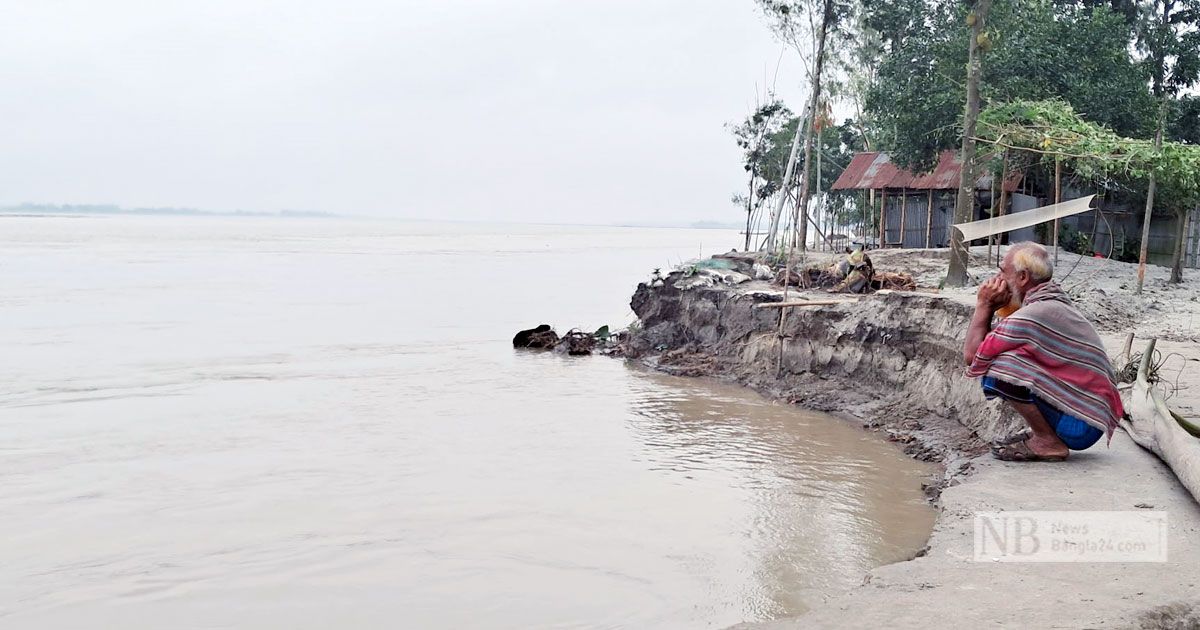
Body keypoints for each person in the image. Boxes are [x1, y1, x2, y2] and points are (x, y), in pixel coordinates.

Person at [963, 242, 1124, 461]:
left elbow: (973, 356)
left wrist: (984, 305)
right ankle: (1044, 433)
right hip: (1087, 417)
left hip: (1080, 426)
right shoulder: (1052, 300)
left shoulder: (1034, 313)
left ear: (1022, 278)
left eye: (1003, 271)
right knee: (1007, 358)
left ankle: (1048, 442)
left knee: (997, 367)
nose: (998, 277)